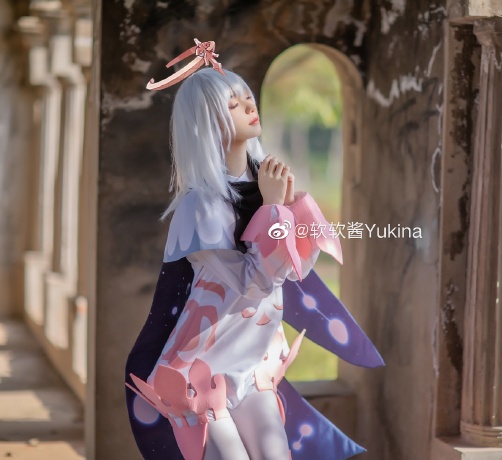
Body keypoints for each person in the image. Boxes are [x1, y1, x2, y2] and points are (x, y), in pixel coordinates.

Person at [125, 39, 382, 460]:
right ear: (207, 123)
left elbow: (294, 270)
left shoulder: (263, 184)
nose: (248, 106)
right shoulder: (199, 206)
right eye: (233, 104)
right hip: (199, 372)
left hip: (254, 363)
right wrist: (276, 209)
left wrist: (289, 205)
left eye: (248, 97)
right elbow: (252, 284)